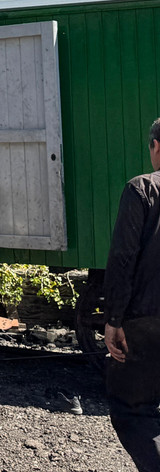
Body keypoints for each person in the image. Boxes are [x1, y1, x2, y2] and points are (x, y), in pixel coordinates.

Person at [104, 117, 160, 472]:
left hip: (147, 320)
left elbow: (123, 259)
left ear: (156, 146)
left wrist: (113, 320)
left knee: (133, 411)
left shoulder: (141, 189)